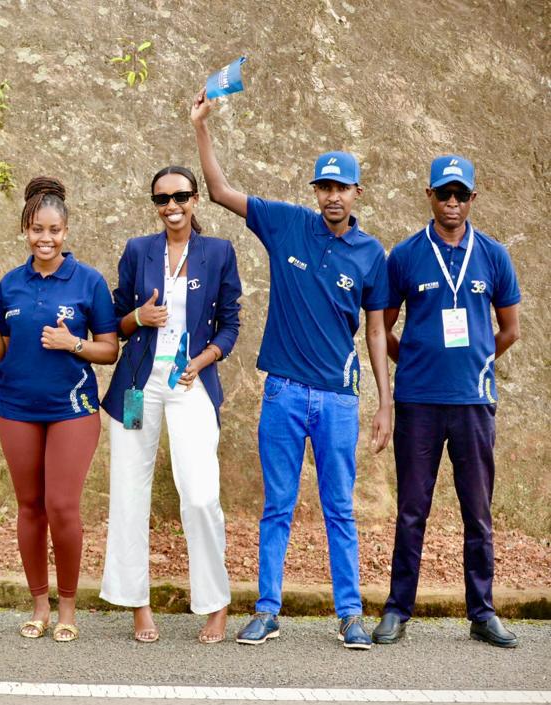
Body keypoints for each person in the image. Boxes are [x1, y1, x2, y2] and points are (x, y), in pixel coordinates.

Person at [191, 89, 392, 649]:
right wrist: (202, 126)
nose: (332, 196)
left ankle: (349, 614)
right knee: (276, 506)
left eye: (341, 187)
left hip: (338, 400)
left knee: (339, 509)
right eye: (324, 186)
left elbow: (376, 331)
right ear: (316, 191)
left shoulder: (371, 254)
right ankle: (267, 610)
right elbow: (220, 191)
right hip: (282, 392)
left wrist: (385, 402)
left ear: (357, 192)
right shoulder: (286, 224)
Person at [373, 156, 521, 648]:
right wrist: (415, 360)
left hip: (473, 403)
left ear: (473, 198)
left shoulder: (494, 255)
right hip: (418, 402)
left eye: (460, 194)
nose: (452, 202)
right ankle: (398, 609)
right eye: (444, 193)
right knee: (412, 510)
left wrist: (476, 360)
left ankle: (482, 612)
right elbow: (382, 329)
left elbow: (510, 330)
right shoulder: (405, 255)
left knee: (477, 512)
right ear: (430, 196)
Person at [0, 177, 119, 642]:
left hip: (72, 409)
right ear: (25, 231)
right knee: (30, 507)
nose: (45, 238)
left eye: (53, 230)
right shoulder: (12, 283)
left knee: (62, 506)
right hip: (16, 408)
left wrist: (73, 343)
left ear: (66, 231)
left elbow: (109, 349)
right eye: (36, 230)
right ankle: (39, 605)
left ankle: (68, 607)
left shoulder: (89, 281)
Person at [100, 166, 242, 644]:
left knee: (200, 494)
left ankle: (215, 603)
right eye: (162, 199)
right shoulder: (138, 250)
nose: (171, 206)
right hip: (139, 383)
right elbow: (115, 321)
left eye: (180, 196)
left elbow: (231, 325)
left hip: (190, 380)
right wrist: (138, 317)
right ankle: (137, 604)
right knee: (129, 493)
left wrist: (202, 360)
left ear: (195, 198)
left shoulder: (218, 252)